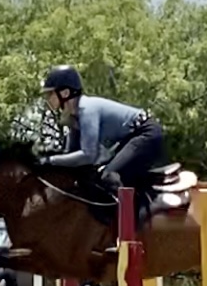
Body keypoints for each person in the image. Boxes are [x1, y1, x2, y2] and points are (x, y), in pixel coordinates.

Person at [38, 64, 168, 193]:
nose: (47, 99)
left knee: (110, 176)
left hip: (146, 134)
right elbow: (71, 154)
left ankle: (127, 208)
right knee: (94, 177)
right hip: (132, 136)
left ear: (65, 93)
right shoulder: (74, 116)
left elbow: (89, 155)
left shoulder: (86, 109)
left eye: (50, 93)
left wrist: (50, 160)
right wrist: (48, 157)